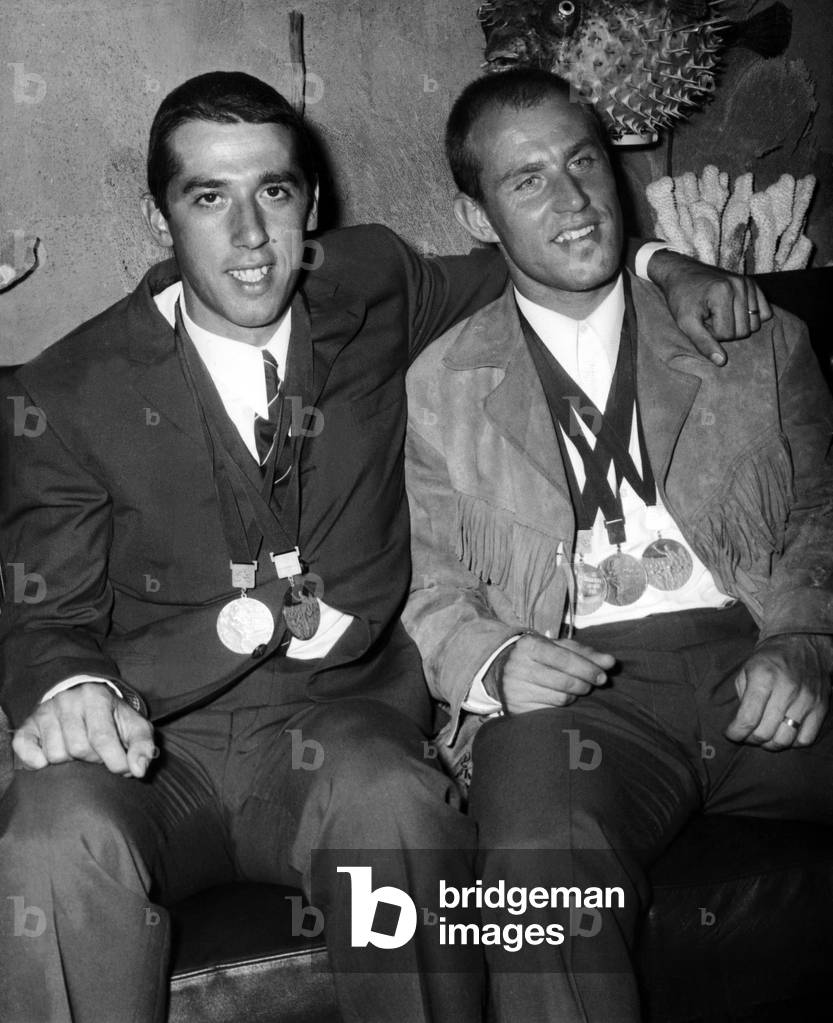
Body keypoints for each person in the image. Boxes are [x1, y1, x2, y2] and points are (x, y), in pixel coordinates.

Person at [0, 70, 767, 1023]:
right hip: (152, 740)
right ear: (158, 218)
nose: (250, 236)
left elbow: (541, 247)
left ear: (312, 201)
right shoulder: (68, 390)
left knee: (397, 807)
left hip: (334, 727)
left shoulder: (370, 284)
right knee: (50, 839)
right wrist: (73, 687)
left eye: (273, 191)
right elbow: (45, 615)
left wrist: (665, 264)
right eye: (208, 198)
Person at [403, 68, 833, 1023]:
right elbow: (429, 582)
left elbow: (819, 508)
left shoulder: (750, 333)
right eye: (527, 181)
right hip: (576, 691)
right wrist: (494, 660)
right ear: (476, 217)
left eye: (583, 161)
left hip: (757, 645)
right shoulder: (440, 384)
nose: (572, 200)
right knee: (536, 875)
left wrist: (809, 636)